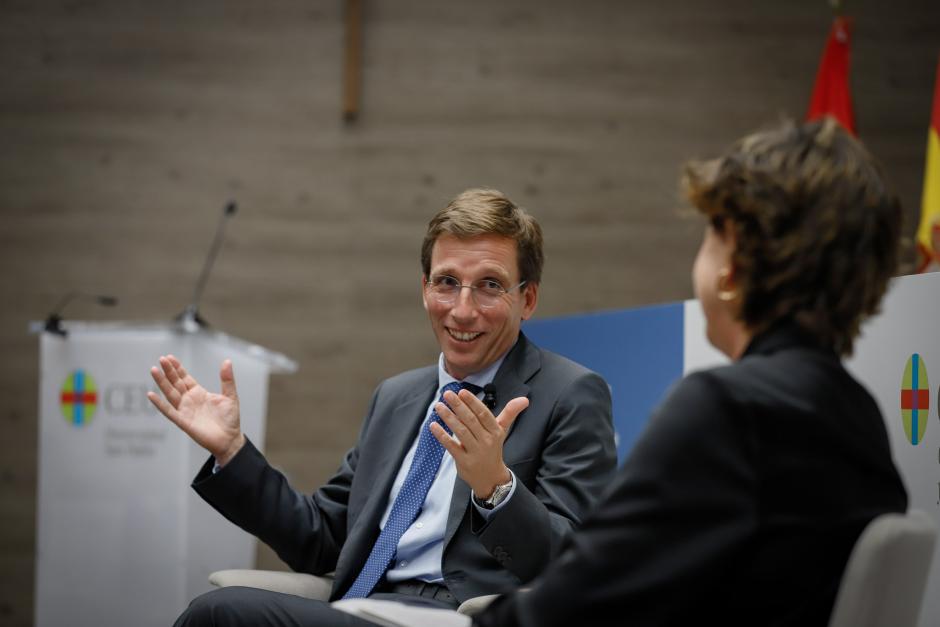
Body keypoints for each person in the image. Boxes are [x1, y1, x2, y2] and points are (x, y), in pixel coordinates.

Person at [333, 118, 910, 626]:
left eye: (709, 234)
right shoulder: (860, 419)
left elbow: (586, 591)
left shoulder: (726, 411)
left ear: (733, 264)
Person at [148, 188, 618, 626]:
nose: (462, 309)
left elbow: (574, 565)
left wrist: (496, 488)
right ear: (424, 289)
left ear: (527, 299)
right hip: (365, 607)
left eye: (490, 285)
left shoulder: (570, 393)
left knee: (220, 615)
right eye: (447, 283)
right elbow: (322, 542)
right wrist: (232, 452)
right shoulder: (397, 397)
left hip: (457, 616)